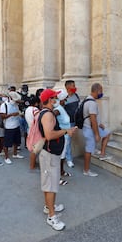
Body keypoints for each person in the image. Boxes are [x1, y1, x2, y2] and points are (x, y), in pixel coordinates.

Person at [38, 89, 77, 231]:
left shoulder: (46, 113)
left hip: (49, 153)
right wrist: (66, 131)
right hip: (49, 155)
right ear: (50, 99)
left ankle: (49, 207)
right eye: (55, 97)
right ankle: (51, 217)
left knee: (48, 182)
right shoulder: (48, 115)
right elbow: (49, 135)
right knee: (51, 185)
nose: (57, 99)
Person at [82, 83, 112, 177]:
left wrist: (99, 124)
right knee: (89, 150)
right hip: (90, 130)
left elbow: (92, 118)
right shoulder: (92, 103)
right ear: (97, 90)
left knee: (107, 134)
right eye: (101, 91)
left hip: (88, 128)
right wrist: (97, 134)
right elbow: (92, 119)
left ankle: (102, 153)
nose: (101, 93)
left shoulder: (87, 100)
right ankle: (86, 170)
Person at [53, 89, 72, 185]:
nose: (66, 100)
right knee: (59, 157)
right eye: (65, 99)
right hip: (61, 136)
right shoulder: (57, 109)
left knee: (63, 156)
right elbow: (51, 117)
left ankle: (61, 171)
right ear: (61, 100)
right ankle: (57, 177)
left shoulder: (61, 107)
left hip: (66, 136)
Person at [0, 91, 24, 164]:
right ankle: (6, 157)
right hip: (9, 127)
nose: (16, 101)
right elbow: (2, 116)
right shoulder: (4, 105)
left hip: (16, 125)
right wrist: (12, 114)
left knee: (16, 141)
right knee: (7, 143)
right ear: (10, 98)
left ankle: (15, 154)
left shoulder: (15, 104)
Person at [63, 80, 80, 168]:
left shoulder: (76, 96)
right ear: (67, 87)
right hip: (66, 123)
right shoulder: (63, 98)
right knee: (68, 141)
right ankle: (69, 159)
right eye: (73, 86)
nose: (74, 87)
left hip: (74, 122)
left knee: (68, 140)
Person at [25, 95, 40, 170]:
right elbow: (38, 119)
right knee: (34, 150)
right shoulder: (35, 109)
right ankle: (32, 165)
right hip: (35, 131)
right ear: (36, 103)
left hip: (30, 129)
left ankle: (33, 163)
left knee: (33, 149)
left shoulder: (27, 109)